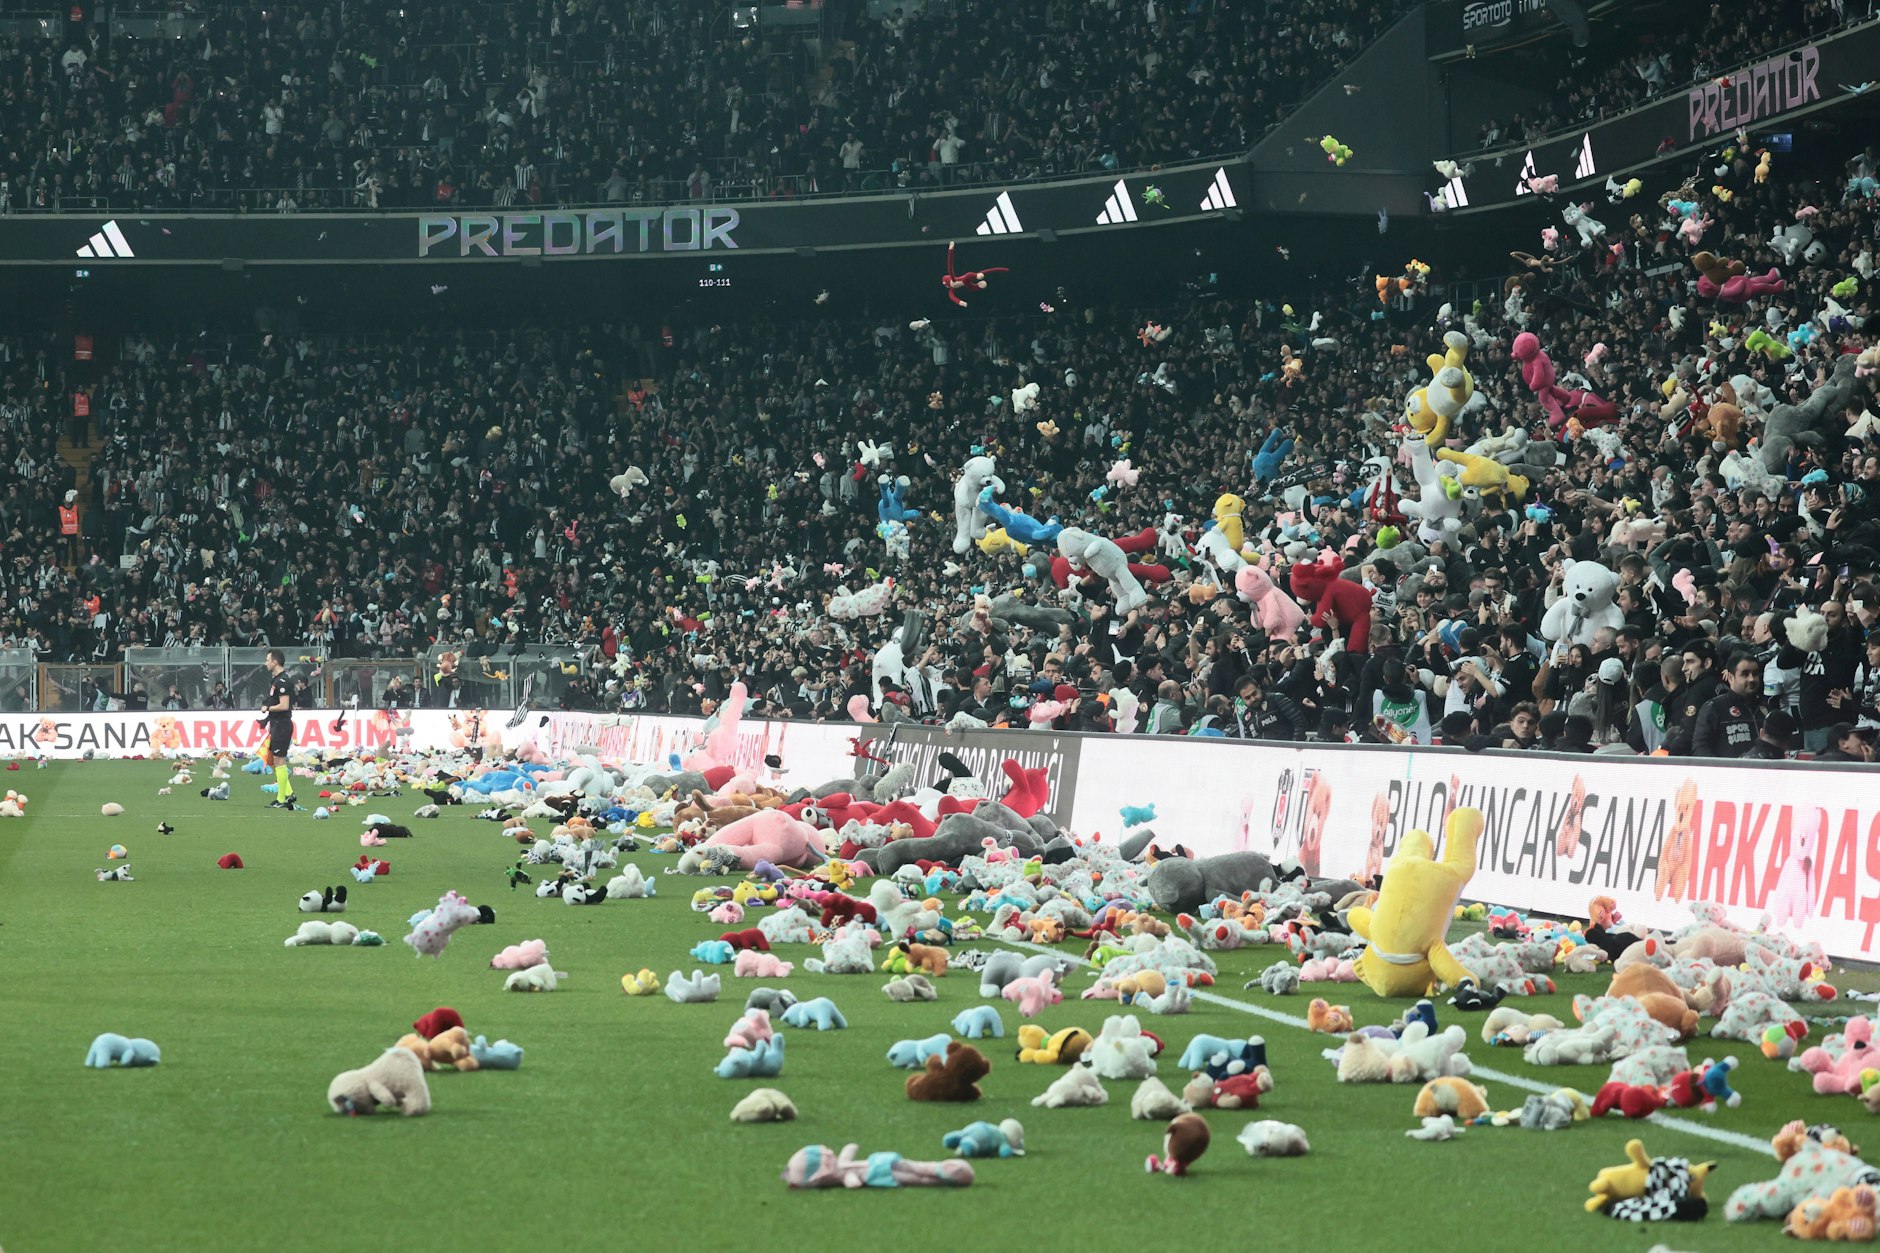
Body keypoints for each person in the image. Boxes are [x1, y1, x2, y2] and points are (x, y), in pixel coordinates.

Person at [1692, 650, 1764, 758]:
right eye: (1745, 674)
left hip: (1764, 768)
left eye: (1755, 673)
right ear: (1730, 678)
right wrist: (1720, 767)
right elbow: (1700, 748)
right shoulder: (1715, 707)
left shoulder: (1766, 709)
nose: (1752, 679)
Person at [261, 648, 300, 809]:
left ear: (275, 662)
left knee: (279, 760)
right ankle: (289, 794)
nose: (265, 663)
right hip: (277, 724)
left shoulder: (283, 681)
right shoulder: (276, 680)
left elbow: (284, 705)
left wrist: (268, 708)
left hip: (282, 724)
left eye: (267, 660)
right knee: (273, 760)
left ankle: (281, 799)